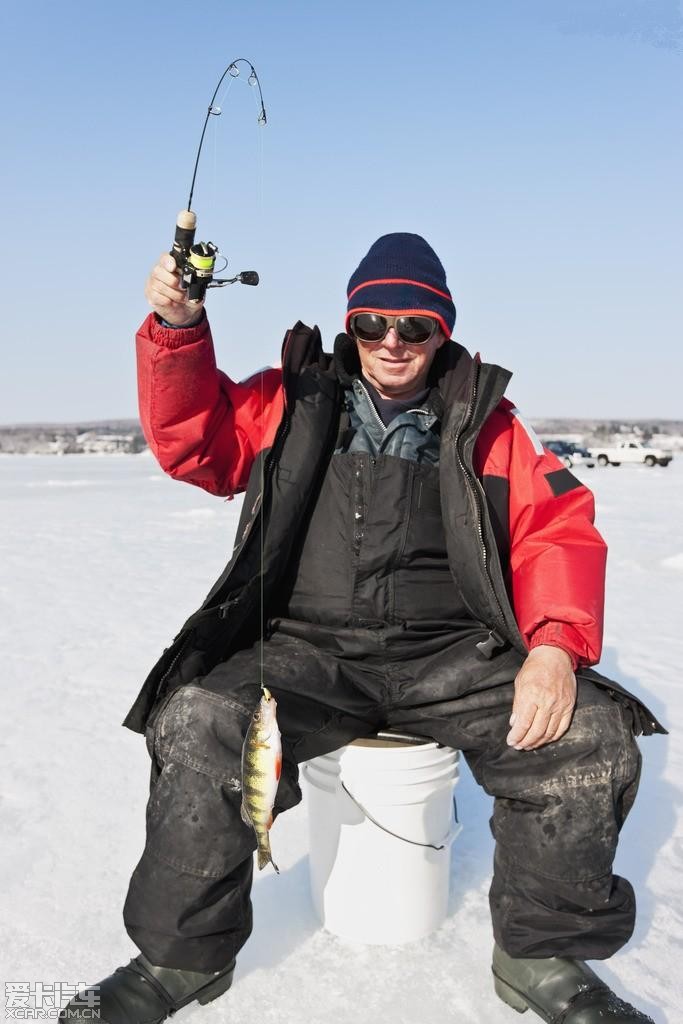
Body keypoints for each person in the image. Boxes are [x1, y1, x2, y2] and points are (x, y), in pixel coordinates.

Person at [62, 233, 663, 1024]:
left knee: (585, 733)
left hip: (451, 655)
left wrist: (552, 646)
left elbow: (555, 527)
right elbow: (196, 444)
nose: (392, 343)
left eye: (414, 328)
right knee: (202, 721)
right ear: (351, 327)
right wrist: (176, 330)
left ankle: (539, 957)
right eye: (373, 323)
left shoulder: (486, 426)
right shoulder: (293, 399)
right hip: (306, 653)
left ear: (441, 333)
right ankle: (177, 962)